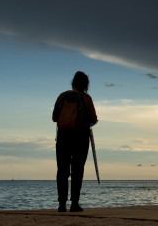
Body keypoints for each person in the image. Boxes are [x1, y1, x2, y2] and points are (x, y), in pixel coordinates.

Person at [52, 71, 98, 212]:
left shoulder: (62, 96)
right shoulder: (86, 99)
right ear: (85, 85)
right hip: (80, 137)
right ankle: (74, 203)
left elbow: (54, 117)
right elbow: (93, 119)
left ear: (73, 83)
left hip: (63, 137)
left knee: (62, 170)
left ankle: (61, 204)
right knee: (77, 170)